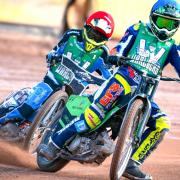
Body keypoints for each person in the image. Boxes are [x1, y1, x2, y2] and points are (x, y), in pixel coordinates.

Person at [38, 0, 180, 179]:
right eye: (162, 22)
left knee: (162, 124)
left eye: (171, 24)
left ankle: (131, 164)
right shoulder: (138, 29)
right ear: (153, 17)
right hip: (122, 81)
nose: (165, 28)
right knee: (93, 117)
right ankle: (54, 143)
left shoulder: (173, 47)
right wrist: (117, 56)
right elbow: (120, 46)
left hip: (145, 94)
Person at [0, 11, 115, 131]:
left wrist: (108, 83)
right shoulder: (72, 35)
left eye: (99, 37)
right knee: (31, 105)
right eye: (93, 33)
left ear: (106, 39)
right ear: (86, 27)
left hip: (74, 93)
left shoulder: (104, 53)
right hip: (52, 80)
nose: (95, 38)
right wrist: (53, 57)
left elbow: (109, 77)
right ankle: (4, 119)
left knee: (71, 121)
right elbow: (53, 52)